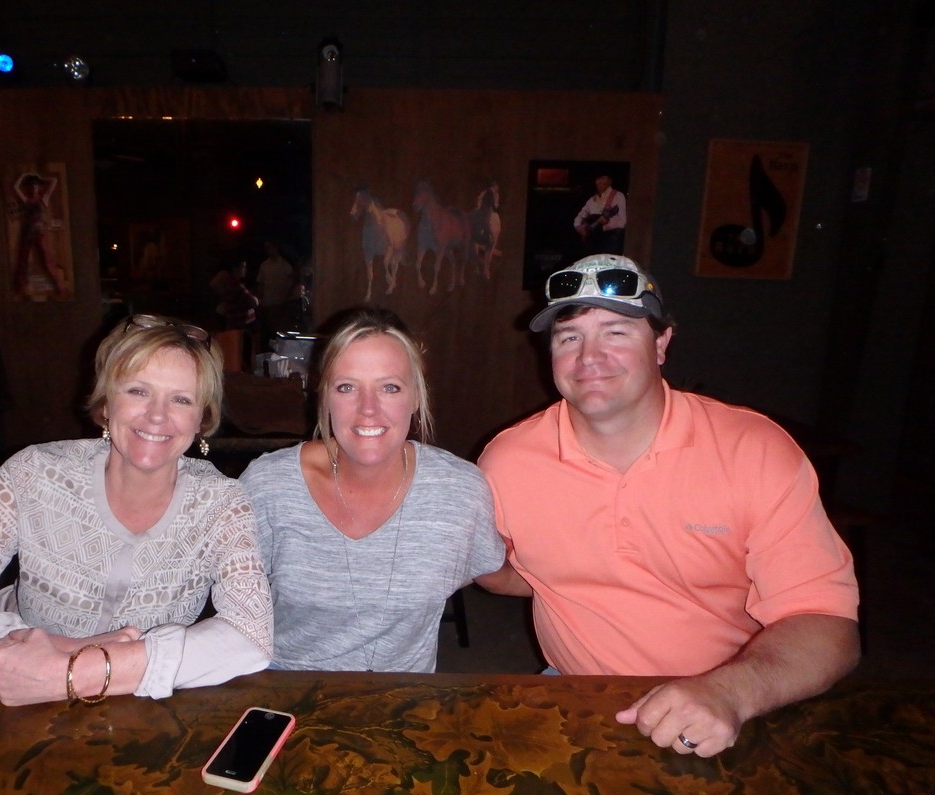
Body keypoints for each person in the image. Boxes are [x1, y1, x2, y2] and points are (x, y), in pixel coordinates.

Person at [476, 254, 860, 757]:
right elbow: (507, 570)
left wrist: (728, 692)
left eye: (616, 332)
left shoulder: (752, 450)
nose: (589, 357)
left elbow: (828, 623)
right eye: (569, 337)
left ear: (661, 344)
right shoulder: (507, 461)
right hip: (574, 690)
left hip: (735, 698)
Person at [0, 315, 273, 705]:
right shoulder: (32, 473)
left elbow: (250, 636)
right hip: (13, 694)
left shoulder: (222, 503)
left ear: (202, 420)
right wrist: (31, 649)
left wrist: (77, 670)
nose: (157, 415)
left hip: (137, 708)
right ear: (106, 403)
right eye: (138, 391)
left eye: (181, 399)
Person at [240, 308, 504, 672]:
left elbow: (494, 571)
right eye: (347, 387)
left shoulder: (459, 491)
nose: (368, 409)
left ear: (416, 397)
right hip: (288, 693)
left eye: (389, 387)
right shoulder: (270, 485)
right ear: (324, 396)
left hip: (401, 699)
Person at [573, 175, 627, 255]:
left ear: (610, 181)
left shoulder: (618, 196)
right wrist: (579, 227)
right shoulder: (592, 200)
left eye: (603, 178)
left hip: (610, 241)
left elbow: (622, 222)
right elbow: (580, 216)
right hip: (593, 243)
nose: (600, 181)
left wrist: (604, 226)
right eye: (598, 179)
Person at [255, 240, 294, 337]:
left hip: (281, 304)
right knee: (269, 331)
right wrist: (259, 300)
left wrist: (286, 299)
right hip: (267, 303)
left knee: (280, 331)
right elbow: (261, 284)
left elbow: (290, 285)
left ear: (276, 248)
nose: (267, 250)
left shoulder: (285, 266)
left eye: (269, 247)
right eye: (266, 248)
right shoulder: (264, 266)